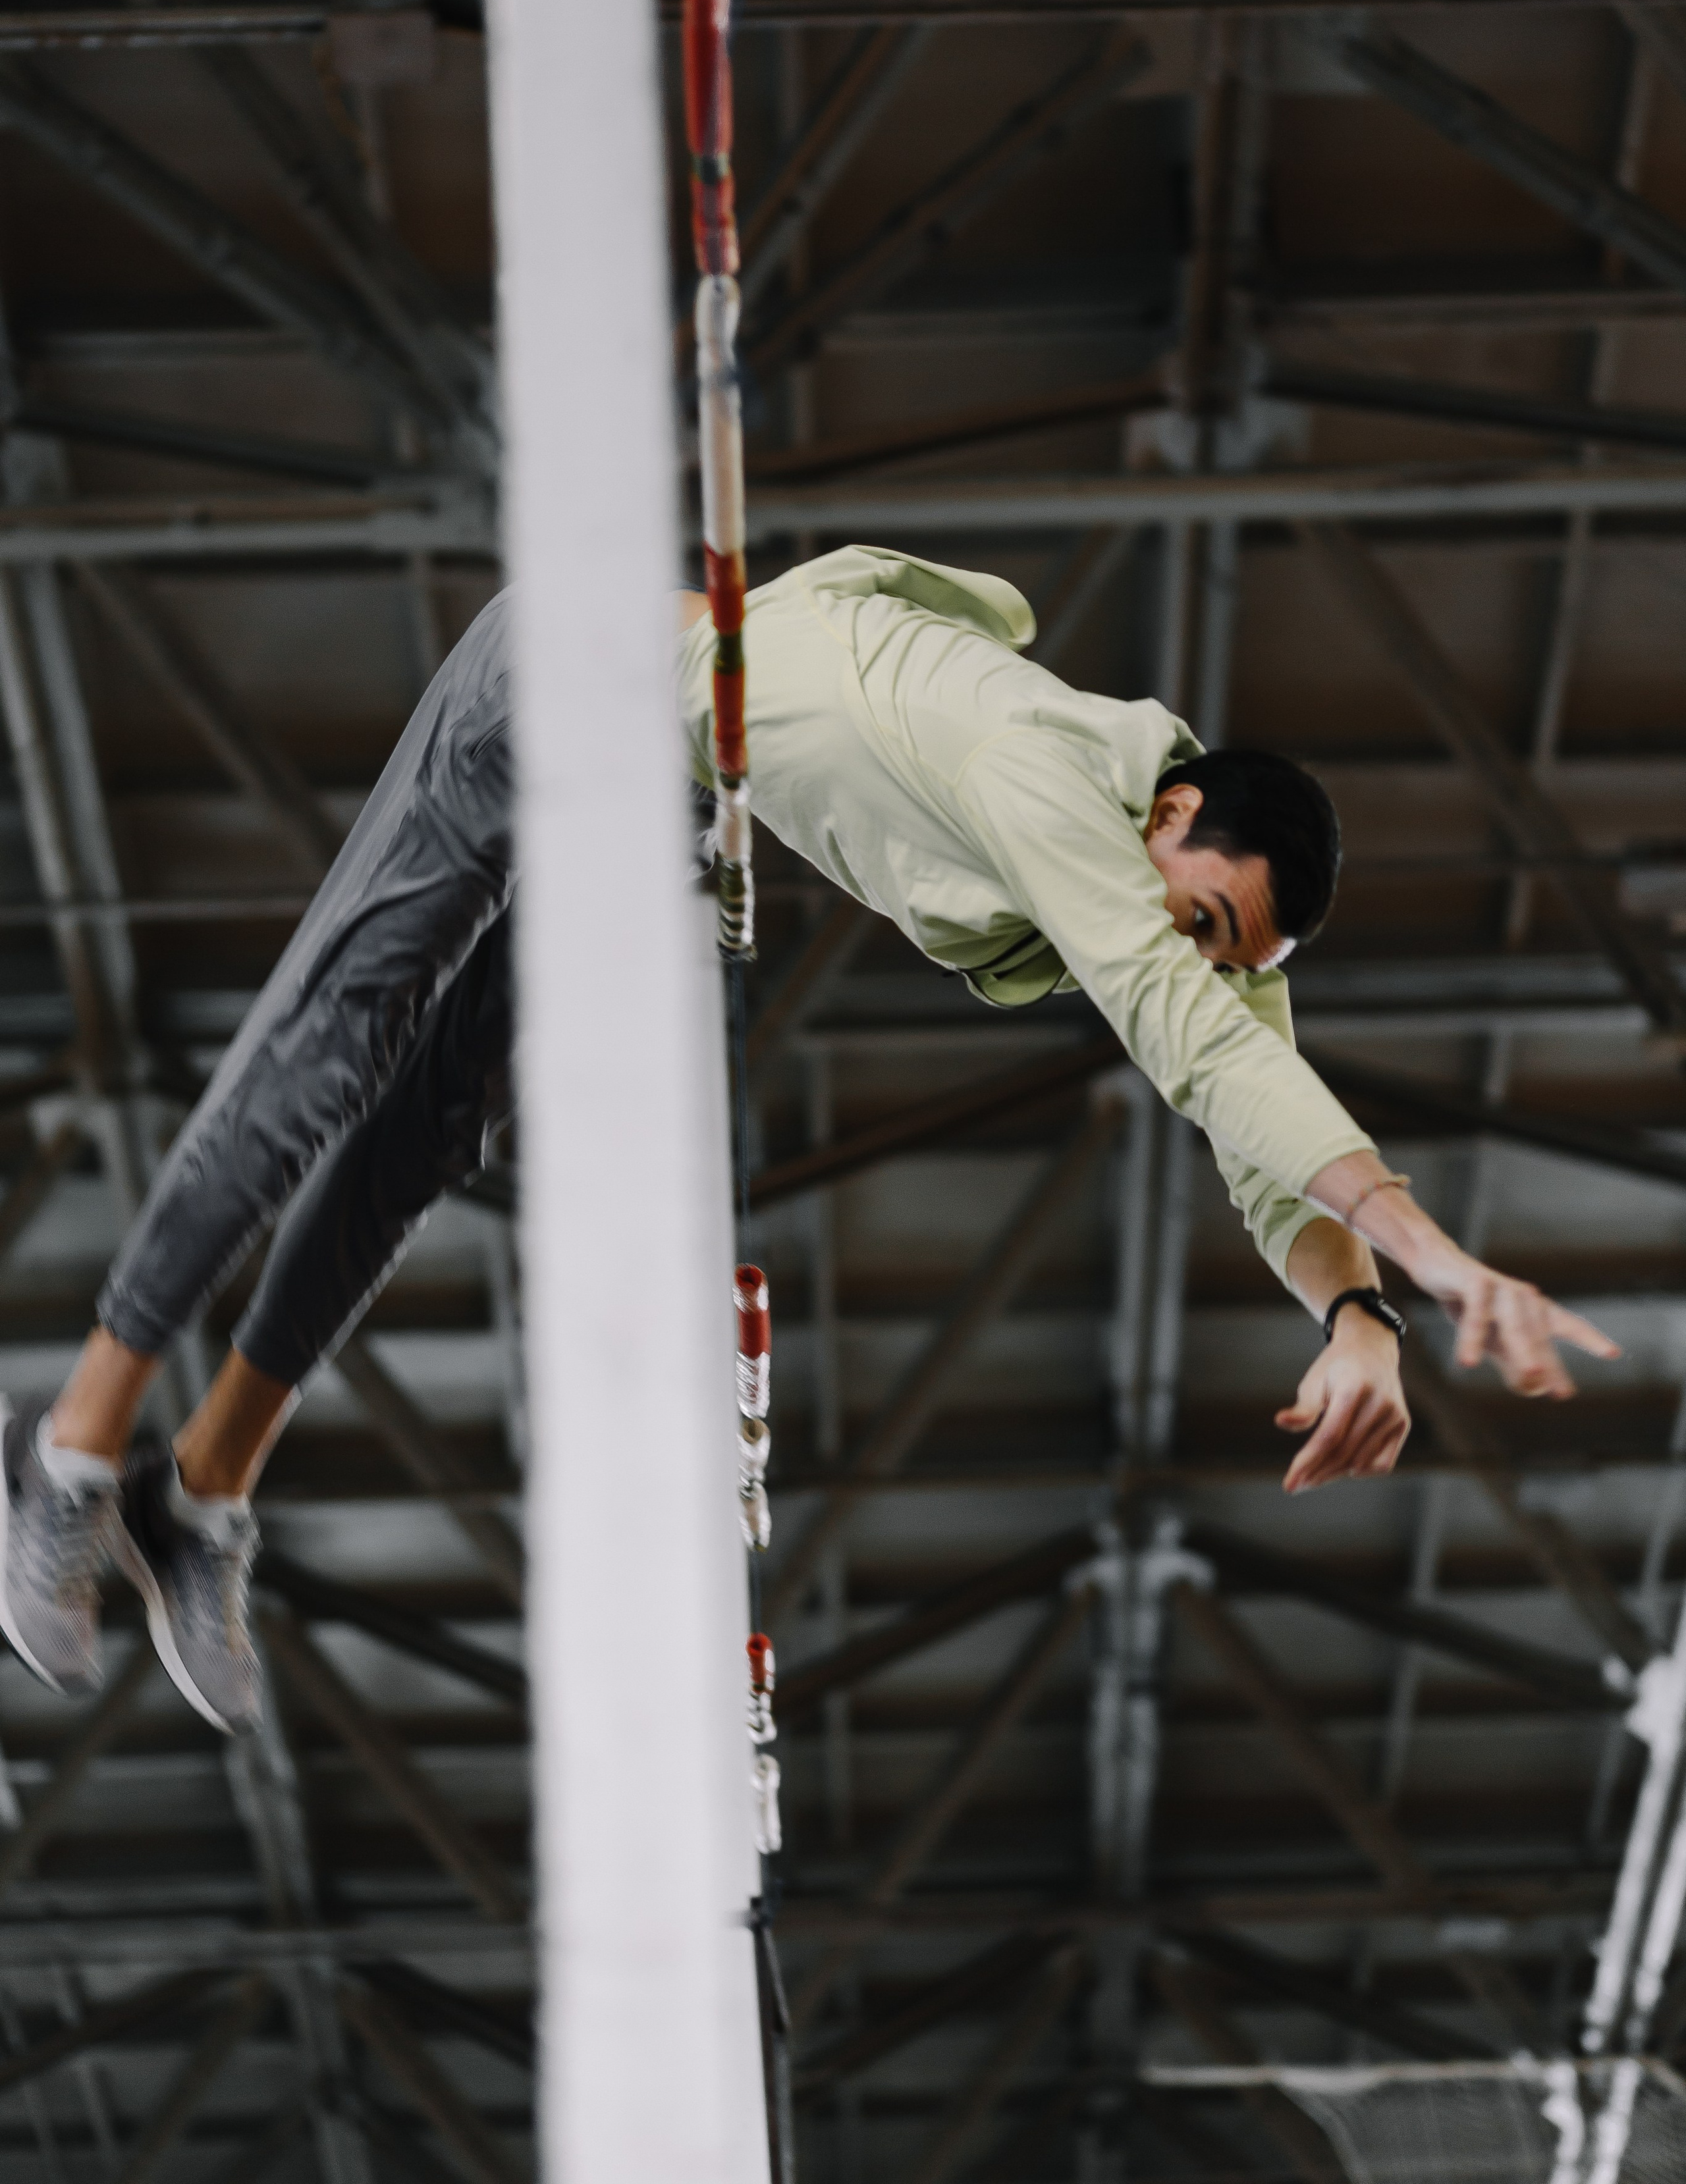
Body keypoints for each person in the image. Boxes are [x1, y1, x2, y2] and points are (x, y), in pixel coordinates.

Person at [0, 546, 1614, 1736]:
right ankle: (69, 1456)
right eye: (1201, 919)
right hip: (555, 683)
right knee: (326, 1063)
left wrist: (1360, 1312)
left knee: (418, 1143)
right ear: (1173, 817)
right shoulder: (1045, 771)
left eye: (1223, 953)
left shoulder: (1178, 901)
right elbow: (1187, 1036)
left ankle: (196, 1496)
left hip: (646, 806)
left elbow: (1255, 1108)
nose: (1196, 956)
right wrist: (1447, 1253)